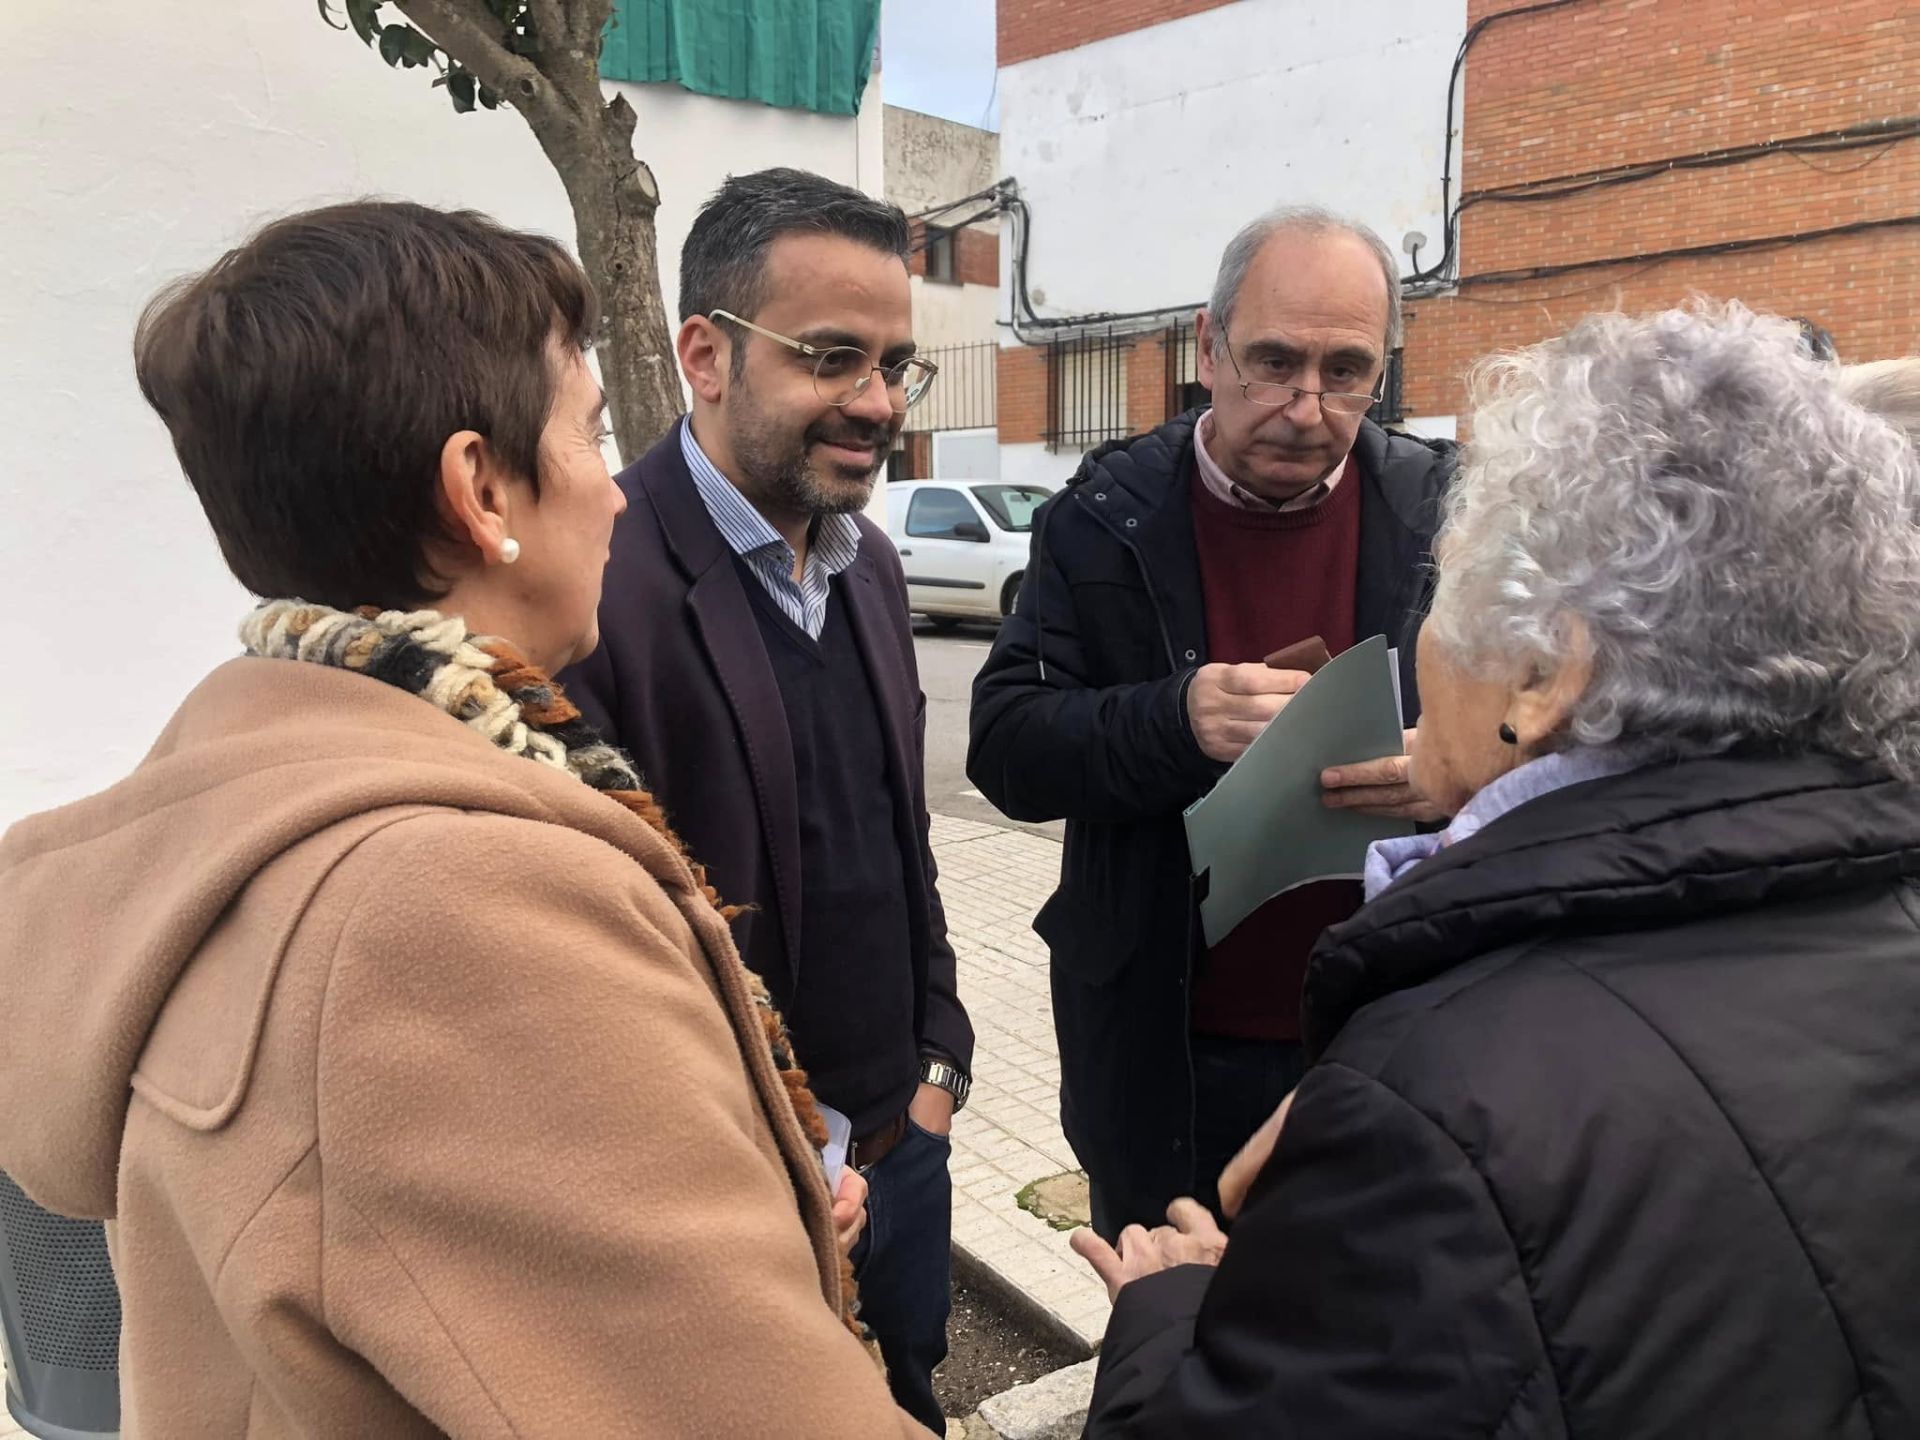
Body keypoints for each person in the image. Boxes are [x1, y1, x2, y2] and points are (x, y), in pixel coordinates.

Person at [0, 202, 937, 1437]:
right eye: (592, 434)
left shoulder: (259, 790)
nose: (615, 494)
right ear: (480, 487)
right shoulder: (451, 912)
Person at [1073, 301, 1920, 1436]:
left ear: (1545, 679)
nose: (1421, 645)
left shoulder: (1437, 1093)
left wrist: (1167, 1314)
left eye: (1448, 593)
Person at [556, 168, 971, 1431]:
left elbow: (905, 844)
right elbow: (597, 969)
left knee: (908, 1395)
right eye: (834, 356)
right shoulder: (597, 587)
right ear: (705, 354)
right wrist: (776, 1159)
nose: (880, 402)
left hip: (906, 1147)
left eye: (899, 363)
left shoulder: (873, 565)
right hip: (737, 1199)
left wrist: (939, 1065)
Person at [966, 206, 1457, 1238]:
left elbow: (1551, 730)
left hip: (1385, 1037)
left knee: (1361, 1342)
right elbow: (1007, 747)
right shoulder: (1103, 519)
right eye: (1274, 361)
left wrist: (1454, 769)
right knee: (1167, 1341)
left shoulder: (1444, 515)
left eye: (1347, 370)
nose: (1309, 407)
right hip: (1162, 1044)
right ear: (1208, 345)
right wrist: (1172, 720)